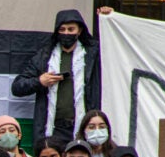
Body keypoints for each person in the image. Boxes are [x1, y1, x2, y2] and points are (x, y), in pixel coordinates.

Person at [11, 9, 101, 141]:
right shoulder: (44, 57)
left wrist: (108, 17)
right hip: (52, 129)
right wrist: (40, 81)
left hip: (85, 127)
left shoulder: (93, 56)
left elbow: (114, 46)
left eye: (71, 29)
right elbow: (17, 87)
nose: (66, 33)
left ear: (80, 31)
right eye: (62, 29)